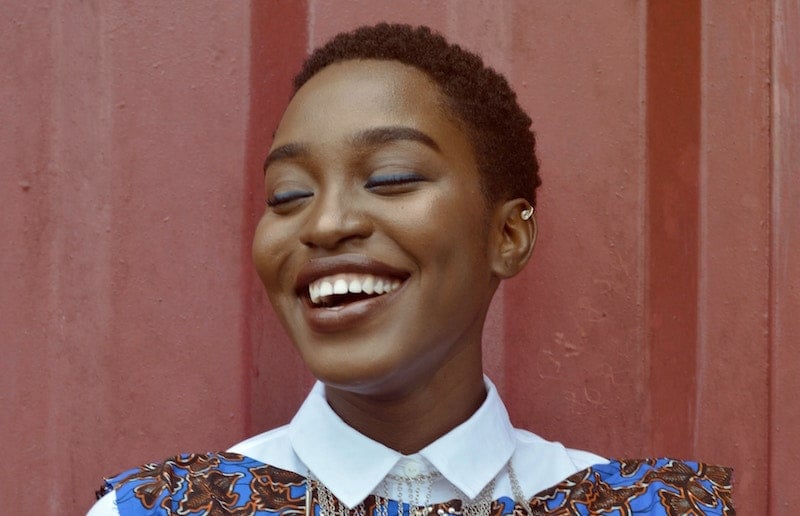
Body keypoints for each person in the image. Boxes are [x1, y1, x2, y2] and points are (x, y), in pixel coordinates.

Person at [88, 24, 733, 516]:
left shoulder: (644, 507)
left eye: (390, 178)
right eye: (288, 195)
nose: (324, 224)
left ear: (507, 235)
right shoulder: (157, 508)